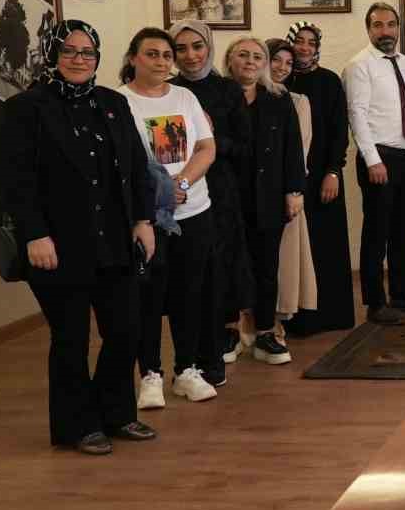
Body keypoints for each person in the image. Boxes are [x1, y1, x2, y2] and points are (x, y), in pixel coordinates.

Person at [0, 21, 157, 455]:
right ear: (52, 54)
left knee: (125, 330)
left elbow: (137, 168)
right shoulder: (26, 108)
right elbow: (17, 180)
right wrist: (35, 234)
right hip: (58, 245)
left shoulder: (112, 103)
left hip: (114, 240)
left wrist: (144, 220)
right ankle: (77, 426)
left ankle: (116, 414)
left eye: (87, 52)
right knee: (70, 339)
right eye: (68, 50)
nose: (78, 59)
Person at [117, 28, 220, 406]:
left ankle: (186, 370)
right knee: (148, 297)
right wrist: (157, 195)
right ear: (133, 58)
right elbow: (121, 162)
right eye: (152, 54)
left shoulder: (185, 97)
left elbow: (206, 147)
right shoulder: (119, 102)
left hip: (193, 212)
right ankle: (150, 374)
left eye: (166, 55)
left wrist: (182, 182)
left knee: (188, 294)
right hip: (147, 219)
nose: (161, 61)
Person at [169, 20, 250, 381]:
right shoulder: (169, 91)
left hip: (220, 191)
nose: (190, 55)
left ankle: (220, 339)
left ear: (209, 47)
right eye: (181, 48)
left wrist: (211, 139)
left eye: (197, 46)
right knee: (186, 275)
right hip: (177, 194)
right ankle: (188, 353)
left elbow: (245, 146)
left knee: (220, 268)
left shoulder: (228, 90)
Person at [223, 37, 306, 364]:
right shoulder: (218, 96)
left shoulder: (278, 98)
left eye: (257, 56)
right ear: (229, 60)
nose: (250, 61)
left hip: (268, 195)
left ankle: (265, 333)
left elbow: (292, 147)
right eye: (242, 54)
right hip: (227, 195)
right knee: (229, 265)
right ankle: (230, 331)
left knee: (267, 267)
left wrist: (294, 191)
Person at [344, 2, 405, 325]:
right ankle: (375, 302)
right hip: (380, 159)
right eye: (378, 25)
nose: (385, 31)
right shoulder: (359, 66)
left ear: (398, 27)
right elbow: (357, 115)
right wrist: (372, 160)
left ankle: (401, 294)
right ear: (368, 29)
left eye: (391, 24)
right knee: (377, 232)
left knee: (404, 230)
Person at [283, 22, 355, 336]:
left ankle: (330, 316)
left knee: (327, 246)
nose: (304, 48)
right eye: (299, 41)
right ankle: (294, 318)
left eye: (311, 43)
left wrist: (333, 171)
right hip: (290, 180)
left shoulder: (329, 81)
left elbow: (340, 132)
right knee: (295, 250)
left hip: (324, 178)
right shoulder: (280, 81)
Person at [267, 40, 318, 330]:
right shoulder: (241, 95)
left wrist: (294, 190)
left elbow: (301, 151)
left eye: (288, 63)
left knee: (284, 261)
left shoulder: (298, 102)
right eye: (276, 60)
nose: (282, 68)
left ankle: (277, 325)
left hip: (286, 189)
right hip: (251, 192)